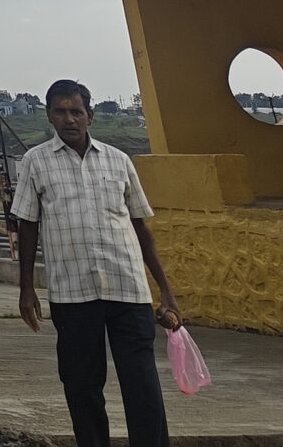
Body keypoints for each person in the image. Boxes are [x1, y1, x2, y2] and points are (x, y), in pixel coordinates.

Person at [10, 79, 183, 447]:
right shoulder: (35, 163)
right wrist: (26, 289)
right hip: (73, 293)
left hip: (128, 287)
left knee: (143, 385)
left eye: (76, 111)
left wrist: (165, 290)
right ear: (49, 116)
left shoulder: (118, 161)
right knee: (81, 384)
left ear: (90, 116)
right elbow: (27, 226)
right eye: (61, 111)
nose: (69, 119)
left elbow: (140, 227)